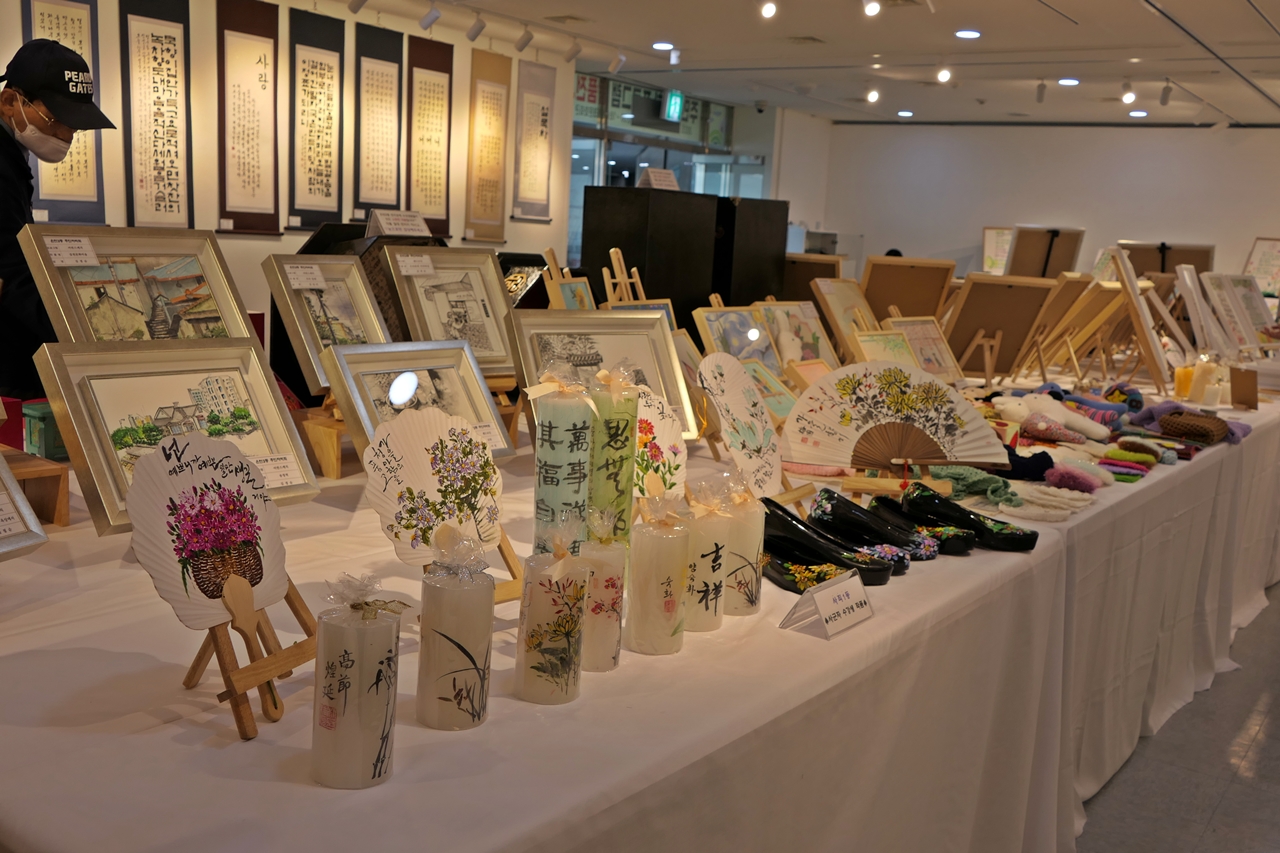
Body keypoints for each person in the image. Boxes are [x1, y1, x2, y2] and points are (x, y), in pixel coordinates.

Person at [0, 39, 114, 400]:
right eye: (56, 120)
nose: (66, 135)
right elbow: (11, 270)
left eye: (74, 125)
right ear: (9, 102)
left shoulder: (11, 156)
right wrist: (82, 332)